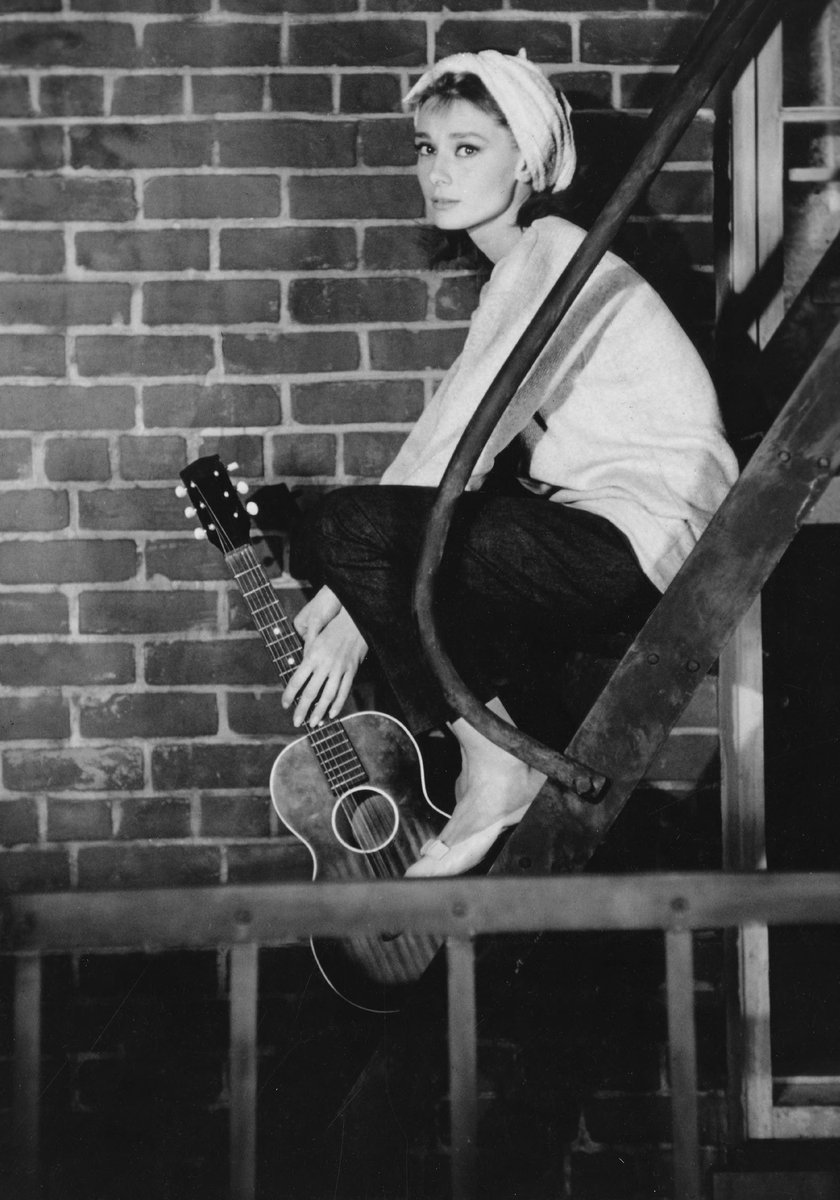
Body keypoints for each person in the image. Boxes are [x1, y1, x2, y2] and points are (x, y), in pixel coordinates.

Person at [282, 49, 739, 877]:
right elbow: (449, 430)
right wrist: (358, 588)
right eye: (426, 148)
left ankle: (495, 764)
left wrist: (354, 593)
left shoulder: (554, 255)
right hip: (610, 539)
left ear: (527, 160)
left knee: (344, 525)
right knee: (362, 546)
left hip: (643, 540)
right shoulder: (522, 267)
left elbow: (462, 439)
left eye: (467, 149)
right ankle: (493, 766)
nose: (438, 172)